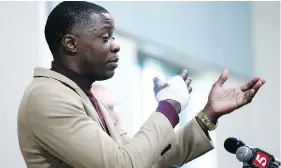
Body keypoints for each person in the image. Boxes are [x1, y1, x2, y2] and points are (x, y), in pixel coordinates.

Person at [17, 1, 265, 168]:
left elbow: (148, 159)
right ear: (71, 44)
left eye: (113, 36)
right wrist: (168, 106)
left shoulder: (88, 99)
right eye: (105, 37)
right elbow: (123, 164)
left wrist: (207, 115)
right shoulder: (48, 96)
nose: (115, 45)